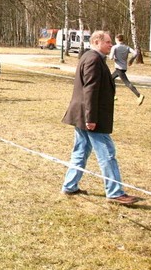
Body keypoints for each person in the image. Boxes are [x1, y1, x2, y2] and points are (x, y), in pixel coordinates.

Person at [60, 30, 142, 205]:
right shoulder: (93, 59)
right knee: (107, 153)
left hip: (83, 114)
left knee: (81, 151)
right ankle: (115, 192)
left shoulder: (92, 57)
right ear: (97, 42)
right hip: (90, 116)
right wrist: (90, 118)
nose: (111, 45)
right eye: (108, 42)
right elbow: (90, 89)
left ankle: (69, 186)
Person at [109, 35, 144, 106]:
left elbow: (111, 57)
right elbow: (135, 53)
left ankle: (139, 95)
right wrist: (131, 60)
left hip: (119, 68)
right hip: (123, 68)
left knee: (127, 83)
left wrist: (114, 58)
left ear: (116, 39)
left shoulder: (115, 47)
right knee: (110, 79)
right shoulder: (127, 47)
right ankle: (113, 95)